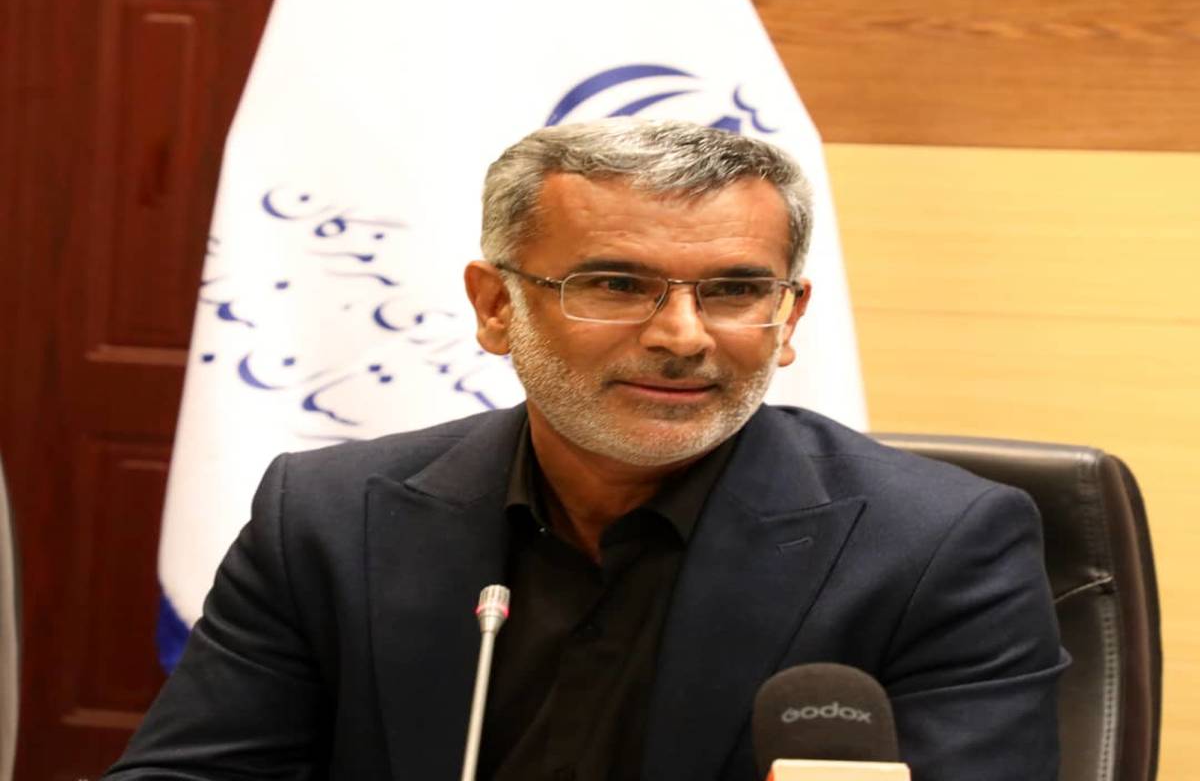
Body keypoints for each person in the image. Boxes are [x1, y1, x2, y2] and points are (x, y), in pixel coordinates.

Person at [106, 119, 1067, 780]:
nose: (683, 336)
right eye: (615, 284)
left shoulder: (939, 547)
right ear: (496, 307)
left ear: (789, 317)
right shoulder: (328, 516)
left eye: (736, 291)